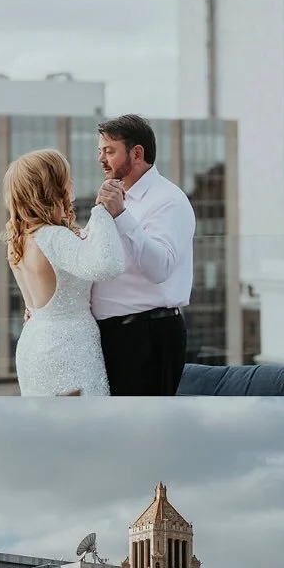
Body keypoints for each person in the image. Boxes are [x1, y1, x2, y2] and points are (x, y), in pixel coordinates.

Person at [4, 149, 127, 396]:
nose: (72, 182)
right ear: (51, 187)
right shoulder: (53, 237)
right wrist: (102, 211)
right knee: (79, 418)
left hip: (35, 340)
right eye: (66, 176)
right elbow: (108, 264)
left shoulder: (20, 237)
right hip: (66, 348)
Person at [92, 115, 196, 396]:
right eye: (100, 151)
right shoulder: (115, 198)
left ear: (137, 153)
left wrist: (120, 216)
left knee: (143, 421)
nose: (101, 159)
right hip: (112, 336)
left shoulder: (169, 201)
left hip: (147, 335)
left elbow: (160, 268)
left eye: (109, 151)